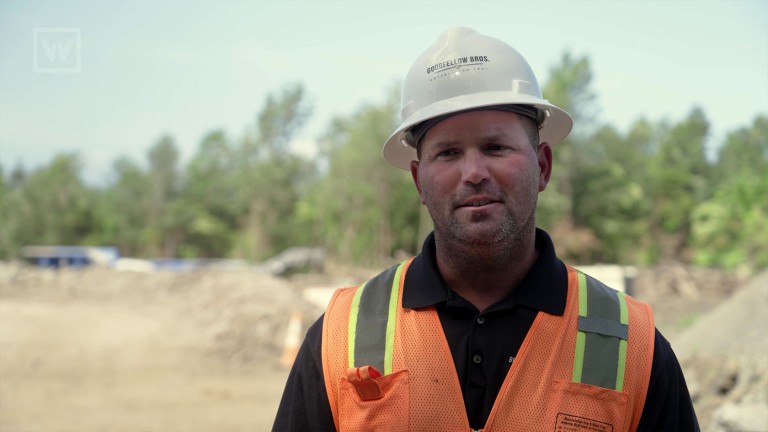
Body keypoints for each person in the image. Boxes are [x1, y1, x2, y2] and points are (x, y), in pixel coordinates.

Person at [273, 27, 699, 431]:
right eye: (448, 153)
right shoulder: (340, 336)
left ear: (543, 166)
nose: (474, 172)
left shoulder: (633, 345)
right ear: (419, 181)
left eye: (495, 147)